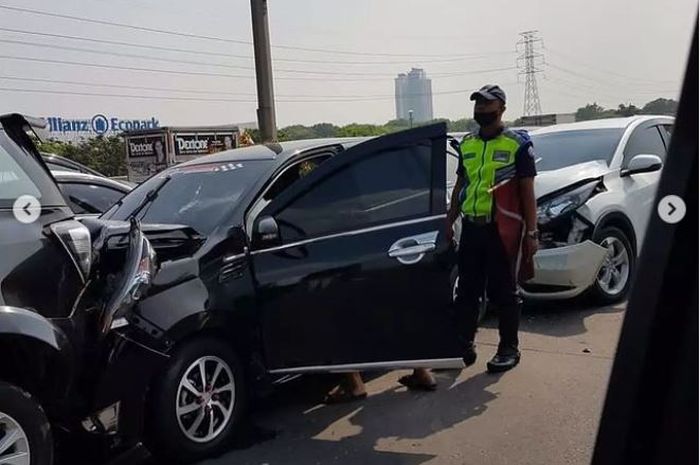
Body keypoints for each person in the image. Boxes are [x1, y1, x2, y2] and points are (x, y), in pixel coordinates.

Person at [447, 84, 538, 373]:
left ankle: (508, 348)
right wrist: (449, 222)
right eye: (477, 106)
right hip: (473, 228)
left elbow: (526, 192)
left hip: (501, 229)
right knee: (467, 292)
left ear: (501, 109)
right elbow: (462, 185)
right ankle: (463, 347)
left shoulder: (517, 144)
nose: (481, 111)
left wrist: (532, 234)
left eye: (487, 105)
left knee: (504, 291)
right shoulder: (468, 143)